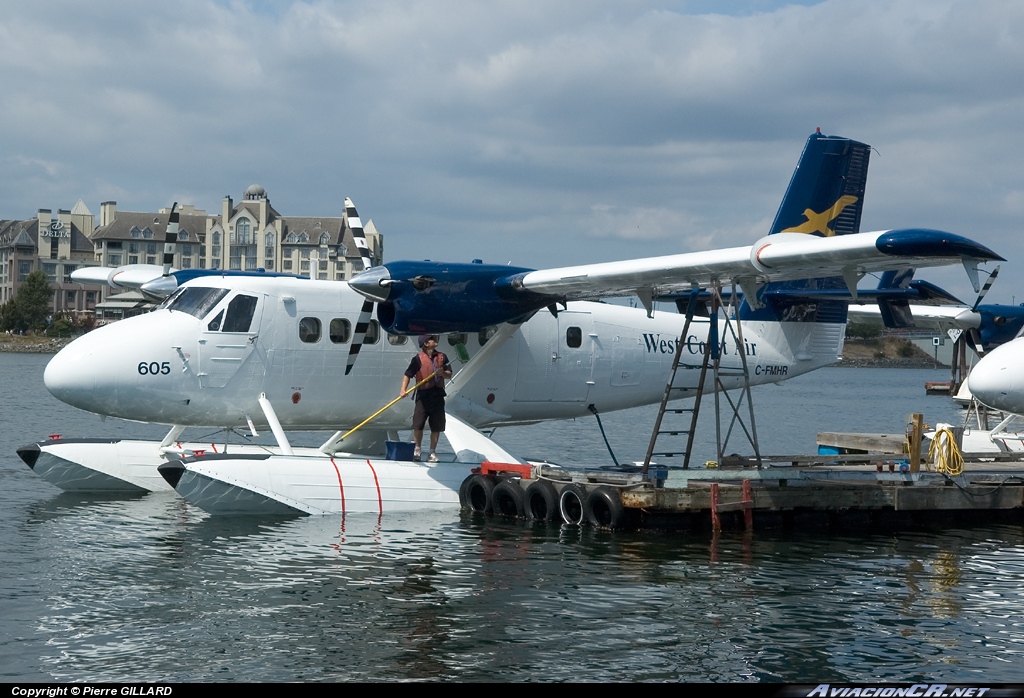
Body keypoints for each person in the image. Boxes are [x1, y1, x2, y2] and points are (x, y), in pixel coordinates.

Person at [399, 335, 452, 462]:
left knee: (436, 425)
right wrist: (403, 389)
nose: (435, 340)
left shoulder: (442, 357)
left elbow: (449, 374)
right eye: (432, 339)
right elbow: (408, 374)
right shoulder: (418, 359)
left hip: (438, 395)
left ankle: (432, 452)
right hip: (423, 396)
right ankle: (417, 449)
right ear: (426, 343)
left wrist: (442, 373)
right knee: (418, 424)